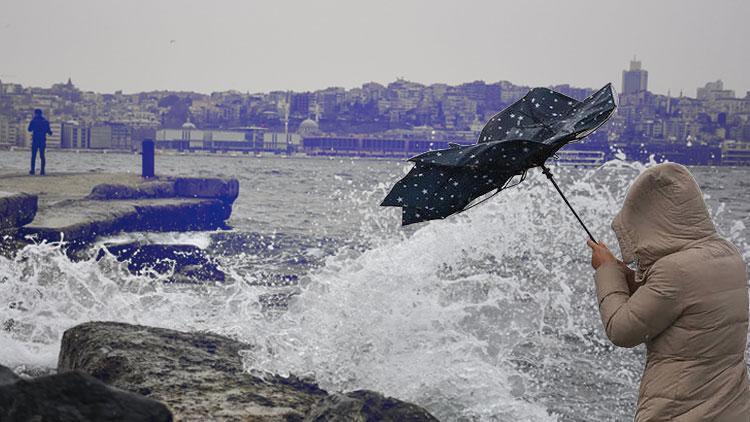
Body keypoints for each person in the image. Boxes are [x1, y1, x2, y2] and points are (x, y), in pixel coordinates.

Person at [587, 162, 750, 421]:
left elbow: (621, 330)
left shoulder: (675, 270)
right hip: (731, 407)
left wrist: (606, 270)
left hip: (679, 410)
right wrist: (622, 273)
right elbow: (676, 301)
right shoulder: (727, 254)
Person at [27, 108, 52, 175]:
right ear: (41, 113)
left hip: (35, 140)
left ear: (35, 113)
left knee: (33, 156)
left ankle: (32, 170)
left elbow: (29, 129)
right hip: (42, 140)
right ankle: (42, 171)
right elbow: (49, 132)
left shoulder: (33, 121)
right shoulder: (45, 121)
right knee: (42, 156)